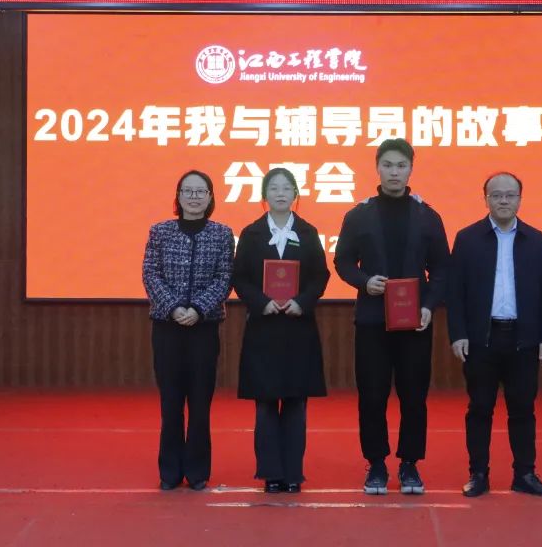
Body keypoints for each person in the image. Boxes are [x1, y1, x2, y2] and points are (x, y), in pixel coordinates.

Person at [334, 138, 450, 495]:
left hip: (415, 322)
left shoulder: (428, 216)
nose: (394, 172)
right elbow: (342, 262)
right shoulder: (359, 215)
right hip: (372, 321)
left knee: (414, 395)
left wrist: (429, 306)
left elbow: (442, 269)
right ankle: (376, 464)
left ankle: (410, 463)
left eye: (401, 165)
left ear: (411, 168)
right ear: (377, 168)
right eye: (388, 165)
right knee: (372, 395)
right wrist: (364, 281)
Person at [447, 171, 542, 499]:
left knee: (522, 409)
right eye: (496, 195)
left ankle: (524, 474)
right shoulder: (467, 239)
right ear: (486, 199)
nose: (504, 201)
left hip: (524, 340)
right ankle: (478, 474)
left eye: (510, 195)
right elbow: (455, 293)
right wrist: (458, 334)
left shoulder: (537, 240)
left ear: (520, 199)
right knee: (480, 408)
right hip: (481, 340)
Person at [233, 167, 330, 494]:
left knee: (295, 404)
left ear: (295, 195)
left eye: (286, 188)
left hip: (298, 329)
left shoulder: (308, 231)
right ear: (264, 196)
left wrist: (302, 301)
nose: (280, 193)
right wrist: (262, 302)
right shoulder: (251, 234)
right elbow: (239, 278)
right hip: (263, 329)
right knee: (265, 405)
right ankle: (270, 473)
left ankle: (292, 474)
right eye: (273, 188)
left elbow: (320, 276)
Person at [142, 170, 234, 492]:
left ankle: (197, 471)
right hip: (167, 327)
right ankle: (169, 471)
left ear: (210, 197)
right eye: (188, 191)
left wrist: (197, 309)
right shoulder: (160, 232)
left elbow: (224, 278)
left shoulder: (222, 234)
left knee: (199, 403)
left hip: (203, 328)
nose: (194, 197)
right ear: (178, 196)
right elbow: (150, 274)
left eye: (200, 192)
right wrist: (173, 308)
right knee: (170, 403)